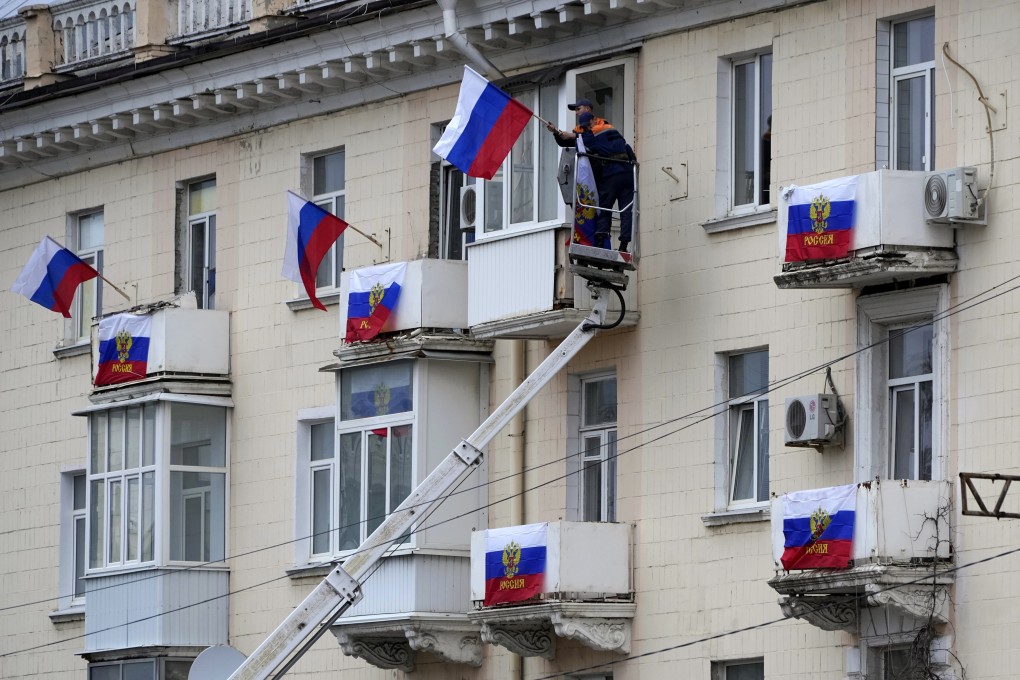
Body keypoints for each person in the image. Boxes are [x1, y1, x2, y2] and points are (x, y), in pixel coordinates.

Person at [577, 111, 635, 252]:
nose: (586, 129)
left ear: (593, 121)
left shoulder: (592, 135)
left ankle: (601, 240)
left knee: (605, 207)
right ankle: (624, 244)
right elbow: (627, 147)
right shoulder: (610, 127)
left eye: (586, 126)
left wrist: (561, 134)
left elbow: (579, 142)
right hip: (628, 173)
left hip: (612, 173)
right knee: (626, 210)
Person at [546, 98, 613, 148]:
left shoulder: (603, 123)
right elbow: (566, 143)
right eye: (575, 110)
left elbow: (594, 136)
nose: (576, 113)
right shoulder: (578, 129)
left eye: (578, 109)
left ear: (587, 108)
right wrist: (555, 132)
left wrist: (573, 135)